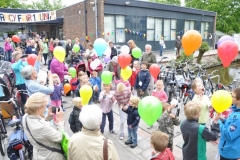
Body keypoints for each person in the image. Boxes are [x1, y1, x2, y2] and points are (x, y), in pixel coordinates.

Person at [22, 92, 65, 160]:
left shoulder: (25, 117)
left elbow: (37, 125)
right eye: (45, 106)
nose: (46, 108)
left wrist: (47, 117)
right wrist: (60, 121)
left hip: (39, 154)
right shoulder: (42, 127)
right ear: (39, 108)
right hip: (50, 156)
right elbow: (59, 137)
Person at [218, 88, 240, 160]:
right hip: (228, 150)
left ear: (239, 100)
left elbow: (229, 135)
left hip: (229, 153)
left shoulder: (238, 118)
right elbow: (230, 124)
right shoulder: (235, 111)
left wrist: (218, 123)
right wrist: (222, 119)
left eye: (232, 96)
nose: (230, 97)